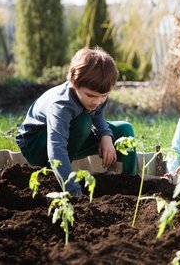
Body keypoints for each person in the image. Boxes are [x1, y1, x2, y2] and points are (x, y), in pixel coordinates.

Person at [16, 47, 136, 196]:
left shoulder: (98, 94)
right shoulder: (61, 105)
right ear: (73, 82)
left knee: (125, 130)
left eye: (103, 96)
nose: (97, 101)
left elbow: (97, 114)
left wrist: (105, 136)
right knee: (83, 122)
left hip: (70, 137)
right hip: (36, 144)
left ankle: (131, 185)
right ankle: (54, 177)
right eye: (91, 96)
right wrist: (75, 193)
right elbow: (56, 150)